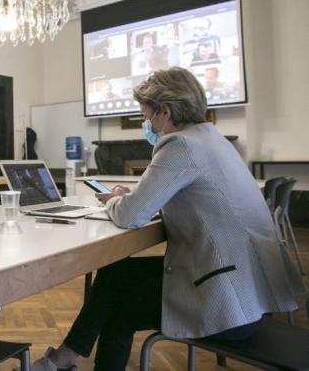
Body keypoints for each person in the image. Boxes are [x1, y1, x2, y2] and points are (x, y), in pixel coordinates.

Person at [30, 67, 304, 371]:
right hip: (251, 292)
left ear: (165, 111)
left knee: (118, 310)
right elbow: (190, 198)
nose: (146, 124)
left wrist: (115, 201)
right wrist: (132, 197)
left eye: (146, 116)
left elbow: (130, 215)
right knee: (115, 272)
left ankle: (60, 360)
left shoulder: (180, 145)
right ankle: (62, 359)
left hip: (228, 304)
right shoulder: (211, 139)